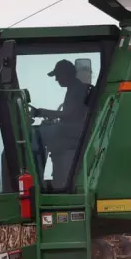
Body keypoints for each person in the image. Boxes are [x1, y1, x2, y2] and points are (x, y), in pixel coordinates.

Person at [30, 60, 91, 189]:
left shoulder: (78, 89)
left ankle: (35, 179)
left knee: (37, 135)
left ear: (67, 73)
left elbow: (69, 114)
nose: (56, 79)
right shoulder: (74, 88)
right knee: (44, 129)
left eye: (58, 75)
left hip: (78, 131)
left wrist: (41, 112)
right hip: (73, 129)